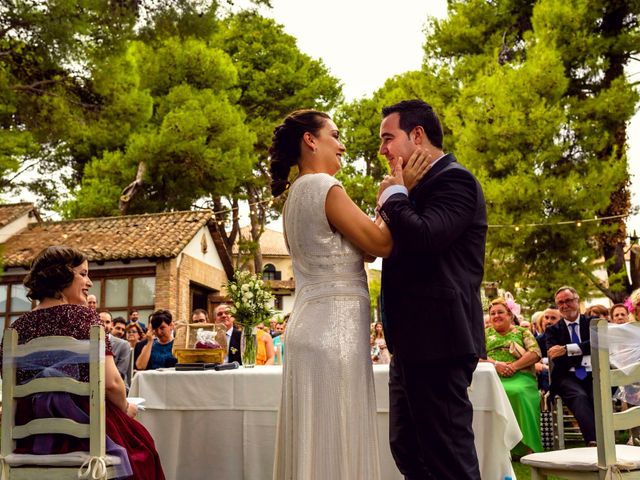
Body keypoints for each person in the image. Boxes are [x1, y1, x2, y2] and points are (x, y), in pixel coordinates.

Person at [269, 109, 428, 479]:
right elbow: (382, 244)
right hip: (332, 335)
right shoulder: (324, 187)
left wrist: (384, 203)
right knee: (337, 431)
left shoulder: (295, 195)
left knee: (316, 436)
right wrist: (399, 192)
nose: (342, 145)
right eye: (334, 135)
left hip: (312, 328)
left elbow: (366, 249)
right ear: (311, 140)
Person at [376, 99, 487, 479]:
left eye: (388, 137)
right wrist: (400, 193)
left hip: (441, 341)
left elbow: (424, 237)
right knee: (407, 450)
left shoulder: (456, 180)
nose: (382, 149)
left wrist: (394, 195)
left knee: (449, 459)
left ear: (417, 135)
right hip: (409, 345)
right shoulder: (412, 187)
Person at [0, 246, 164, 479]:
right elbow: (112, 384)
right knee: (142, 447)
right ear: (62, 275)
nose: (89, 282)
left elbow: (11, 388)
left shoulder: (15, 328)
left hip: (30, 437)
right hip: (81, 435)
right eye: (83, 273)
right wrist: (127, 408)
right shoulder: (84, 318)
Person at [483, 297, 543, 454]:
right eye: (492, 313)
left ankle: (528, 447)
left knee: (519, 393)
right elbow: (477, 355)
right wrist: (496, 365)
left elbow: (535, 353)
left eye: (500, 312)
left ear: (510, 315)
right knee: (490, 395)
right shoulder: (483, 334)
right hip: (492, 377)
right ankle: (498, 450)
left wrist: (514, 367)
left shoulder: (523, 332)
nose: (496, 316)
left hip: (521, 376)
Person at [546, 286, 596, 445]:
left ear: (577, 300)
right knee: (580, 397)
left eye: (568, 300)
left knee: (598, 396)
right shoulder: (553, 330)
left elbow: (598, 344)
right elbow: (557, 359)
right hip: (567, 377)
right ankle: (595, 441)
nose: (564, 305)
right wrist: (585, 350)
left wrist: (568, 349)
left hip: (595, 372)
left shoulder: (593, 323)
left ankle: (605, 437)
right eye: (560, 303)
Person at [99, 309, 131, 387]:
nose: (104, 325)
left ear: (112, 325)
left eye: (107, 322)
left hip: (116, 388)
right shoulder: (89, 342)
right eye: (100, 321)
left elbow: (120, 373)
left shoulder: (123, 344)